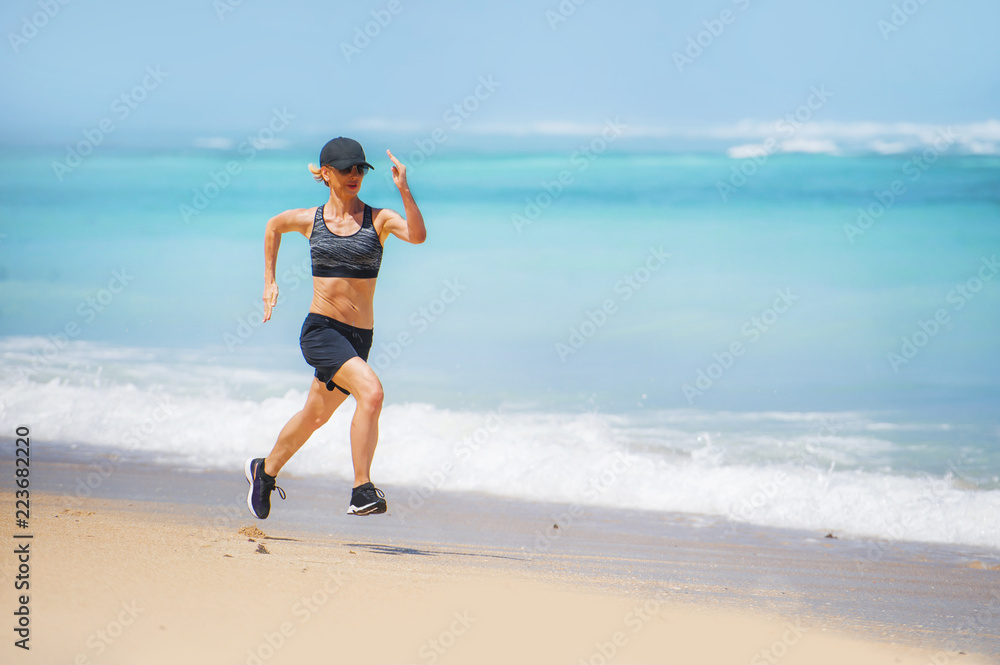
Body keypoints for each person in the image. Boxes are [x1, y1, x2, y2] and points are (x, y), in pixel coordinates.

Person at [244, 137, 426, 519]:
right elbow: (273, 226)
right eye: (346, 169)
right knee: (372, 393)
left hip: (360, 339)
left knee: (314, 415)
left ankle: (265, 470)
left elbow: (418, 234)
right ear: (326, 173)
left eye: (360, 168)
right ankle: (361, 489)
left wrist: (404, 189)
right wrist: (269, 281)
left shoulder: (379, 219)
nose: (354, 175)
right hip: (322, 331)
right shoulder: (311, 220)